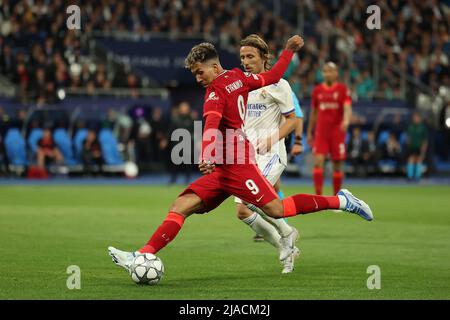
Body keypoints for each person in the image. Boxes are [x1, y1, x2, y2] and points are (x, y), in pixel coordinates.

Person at [108, 35, 373, 277]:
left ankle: (342, 201)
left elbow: (211, 126)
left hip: (238, 164)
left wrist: (208, 153)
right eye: (195, 74)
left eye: (200, 73)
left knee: (276, 208)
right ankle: (143, 254)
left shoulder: (215, 92)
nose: (198, 79)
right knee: (181, 205)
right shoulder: (238, 77)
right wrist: (288, 52)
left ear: (213, 67)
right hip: (224, 168)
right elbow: (273, 75)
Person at [236, 34, 301, 273]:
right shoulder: (242, 85)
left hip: (272, 153)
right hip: (248, 156)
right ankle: (287, 241)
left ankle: (286, 235)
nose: (246, 61)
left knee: (250, 202)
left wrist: (271, 139)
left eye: (250, 56)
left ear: (264, 57)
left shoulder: (279, 85)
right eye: (242, 57)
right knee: (243, 212)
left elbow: (292, 120)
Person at [306, 62, 352, 196]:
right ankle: (318, 197)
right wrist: (309, 132)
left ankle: (336, 198)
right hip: (321, 132)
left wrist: (346, 120)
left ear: (336, 73)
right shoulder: (317, 91)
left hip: (337, 132)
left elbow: (347, 108)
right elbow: (313, 112)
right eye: (326, 71)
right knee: (318, 162)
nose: (328, 74)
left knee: (337, 165)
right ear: (322, 73)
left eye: (331, 71)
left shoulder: (343, 90)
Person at [406, 112, 428, 181]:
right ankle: (410, 177)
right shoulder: (410, 126)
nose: (415, 119)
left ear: (419, 118)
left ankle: (417, 177)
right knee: (411, 160)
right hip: (411, 147)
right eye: (414, 117)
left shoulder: (423, 127)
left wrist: (423, 150)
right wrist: (407, 143)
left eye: (416, 117)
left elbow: (425, 140)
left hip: (419, 147)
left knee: (419, 160)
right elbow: (408, 136)